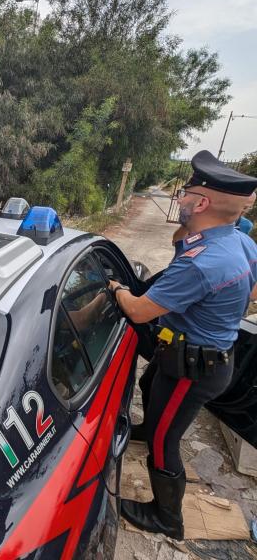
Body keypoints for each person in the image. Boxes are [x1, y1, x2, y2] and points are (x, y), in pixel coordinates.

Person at [108, 150, 257, 540]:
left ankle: (166, 517)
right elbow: (252, 288)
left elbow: (139, 312)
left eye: (186, 194)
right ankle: (147, 430)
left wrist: (118, 289)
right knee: (149, 384)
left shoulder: (202, 262)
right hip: (200, 354)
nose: (181, 199)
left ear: (203, 202)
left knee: (164, 439)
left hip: (194, 368)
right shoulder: (237, 240)